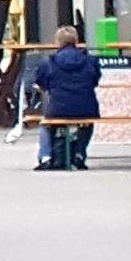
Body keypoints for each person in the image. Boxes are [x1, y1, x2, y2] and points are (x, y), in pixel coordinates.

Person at [31, 26, 100, 170]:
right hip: (86, 108)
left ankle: (46, 157)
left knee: (45, 125)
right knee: (88, 124)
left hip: (58, 109)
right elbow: (95, 81)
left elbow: (41, 83)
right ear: (76, 41)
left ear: (57, 42)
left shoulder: (49, 63)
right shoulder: (90, 61)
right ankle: (79, 154)